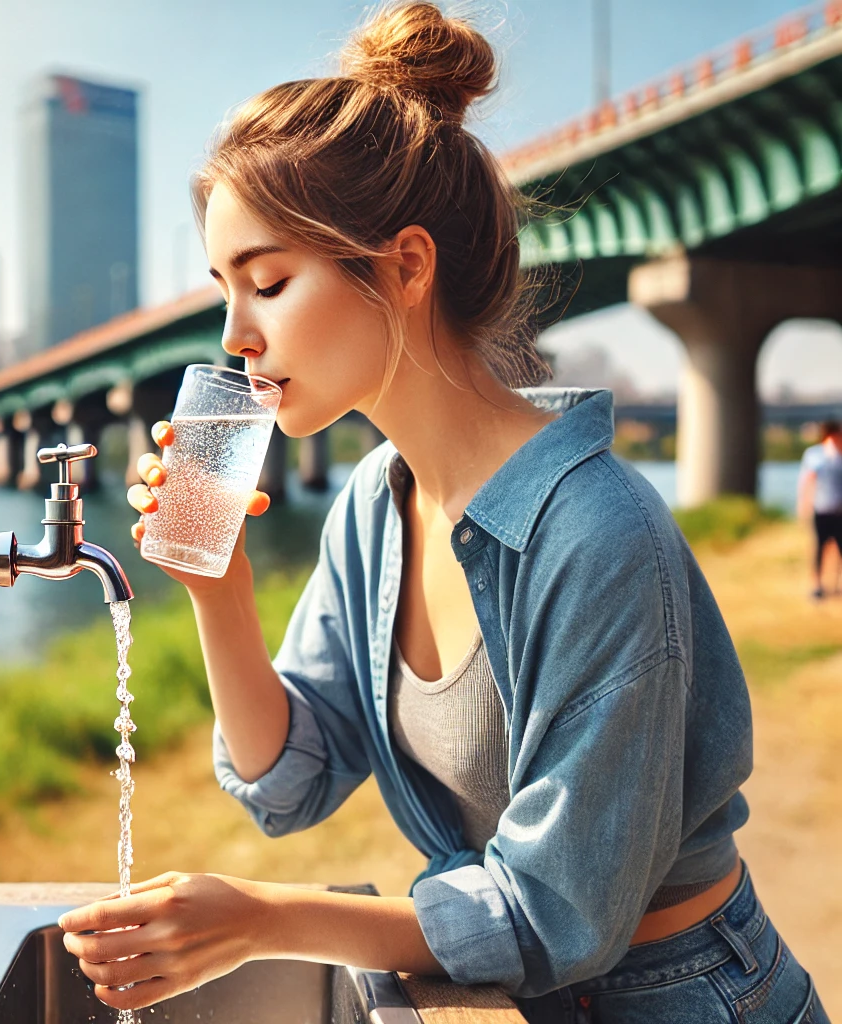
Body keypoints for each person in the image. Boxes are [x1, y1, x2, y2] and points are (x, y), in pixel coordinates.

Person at [57, 5, 829, 1021]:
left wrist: (260, 919)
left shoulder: (599, 534)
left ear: (406, 266)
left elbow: (554, 913)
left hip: (689, 998)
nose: (235, 333)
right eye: (224, 291)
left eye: (269, 282)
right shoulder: (371, 511)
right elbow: (289, 786)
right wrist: (219, 592)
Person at [798, 419, 842, 600]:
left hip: (839, 511)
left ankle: (835, 585)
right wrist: (804, 504)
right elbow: (809, 479)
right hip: (822, 508)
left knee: (839, 548)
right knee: (820, 547)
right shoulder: (815, 454)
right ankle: (817, 586)